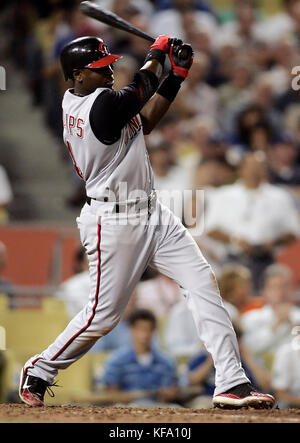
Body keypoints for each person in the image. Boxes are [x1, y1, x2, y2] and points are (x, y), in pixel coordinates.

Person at [19, 34, 274, 410]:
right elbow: (137, 91)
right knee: (101, 317)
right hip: (114, 220)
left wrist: (175, 76)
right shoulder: (94, 107)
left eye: (109, 67)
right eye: (99, 69)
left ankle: (231, 381)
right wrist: (158, 54)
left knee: (203, 281)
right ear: (76, 76)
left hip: (153, 212)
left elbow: (147, 120)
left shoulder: (100, 101)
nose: (108, 74)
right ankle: (40, 368)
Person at [205, 152, 300, 289]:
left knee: (262, 301)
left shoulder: (280, 196)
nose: (254, 171)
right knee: (227, 302)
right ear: (241, 169)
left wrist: (273, 243)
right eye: (250, 166)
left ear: (265, 169)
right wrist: (235, 240)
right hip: (233, 259)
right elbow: (210, 229)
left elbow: (293, 233)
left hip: (265, 260)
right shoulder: (223, 195)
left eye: (259, 166)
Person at [102, 309, 178, 407]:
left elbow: (169, 393)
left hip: (158, 409)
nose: (144, 334)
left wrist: (169, 394)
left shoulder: (166, 361)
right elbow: (112, 394)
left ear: (154, 331)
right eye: (140, 329)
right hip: (127, 410)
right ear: (131, 330)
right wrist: (122, 397)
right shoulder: (116, 361)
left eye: (148, 329)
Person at [241, 264, 300, 359]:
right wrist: (276, 325)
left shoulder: (298, 316)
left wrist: (293, 326)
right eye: (274, 287)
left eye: (284, 286)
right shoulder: (251, 318)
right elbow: (251, 349)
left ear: (291, 289)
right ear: (264, 291)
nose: (280, 292)